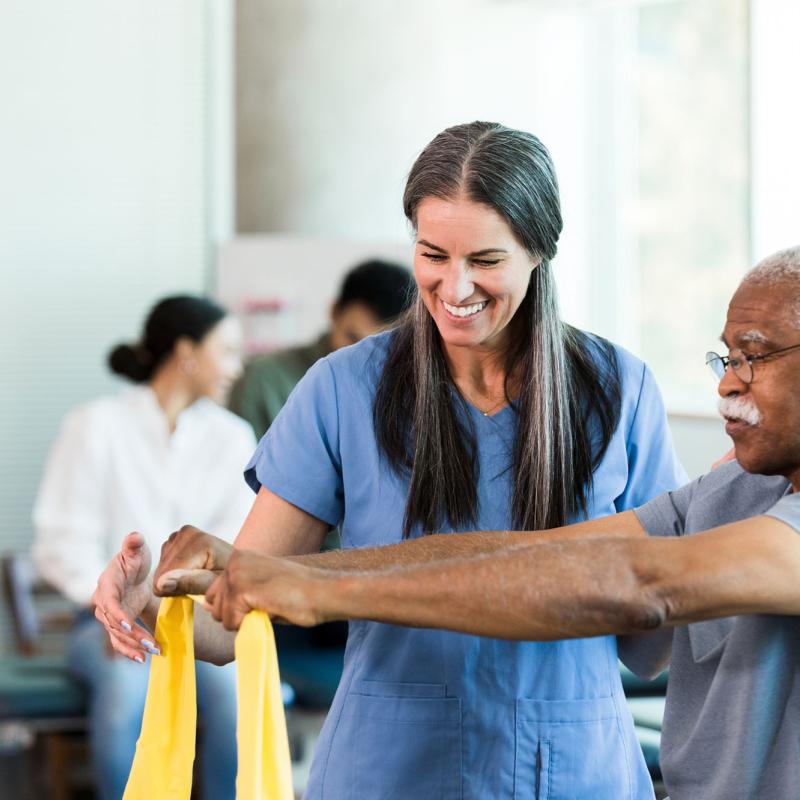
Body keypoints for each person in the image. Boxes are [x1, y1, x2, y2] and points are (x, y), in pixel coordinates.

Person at [94, 122, 686, 799]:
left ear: (539, 252)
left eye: (485, 260)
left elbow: (654, 644)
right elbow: (232, 621)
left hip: (573, 768)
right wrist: (147, 599)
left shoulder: (618, 391)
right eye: (433, 253)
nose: (454, 286)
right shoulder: (343, 389)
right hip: (388, 767)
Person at [193, 246, 800, 800]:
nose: (727, 383)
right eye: (727, 356)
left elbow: (639, 588)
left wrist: (318, 587)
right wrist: (263, 575)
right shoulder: (727, 491)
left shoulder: (623, 389)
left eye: (755, 356)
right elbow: (532, 554)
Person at [32, 295, 255, 800]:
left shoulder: (233, 437)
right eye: (229, 351)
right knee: (127, 692)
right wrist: (121, 608)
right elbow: (61, 543)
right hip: (105, 626)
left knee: (234, 695)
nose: (237, 368)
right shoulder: (94, 426)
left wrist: (178, 609)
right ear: (187, 353)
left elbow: (232, 548)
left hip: (200, 625)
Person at [228, 258, 414, 439]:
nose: (363, 355)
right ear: (334, 311)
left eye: (381, 345)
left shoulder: (409, 392)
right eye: (353, 338)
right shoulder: (263, 380)